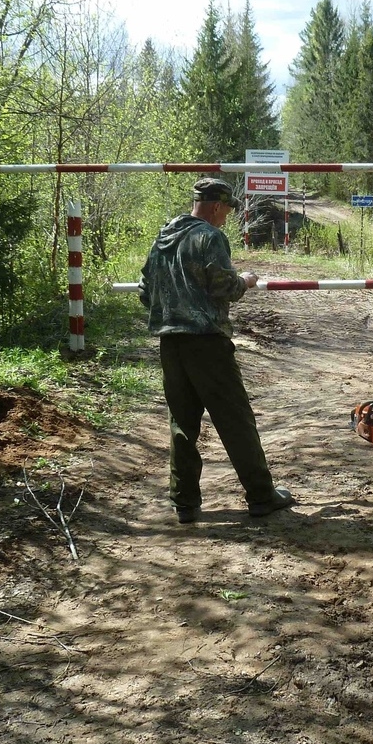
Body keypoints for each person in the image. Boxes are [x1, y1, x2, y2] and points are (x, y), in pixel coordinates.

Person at [137, 177, 295, 524]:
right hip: (207, 343)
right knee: (235, 420)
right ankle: (260, 495)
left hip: (170, 343)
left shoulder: (164, 235)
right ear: (214, 206)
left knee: (182, 423)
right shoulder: (209, 237)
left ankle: (185, 502)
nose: (227, 217)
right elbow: (224, 287)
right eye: (226, 209)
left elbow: (145, 289)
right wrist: (247, 281)